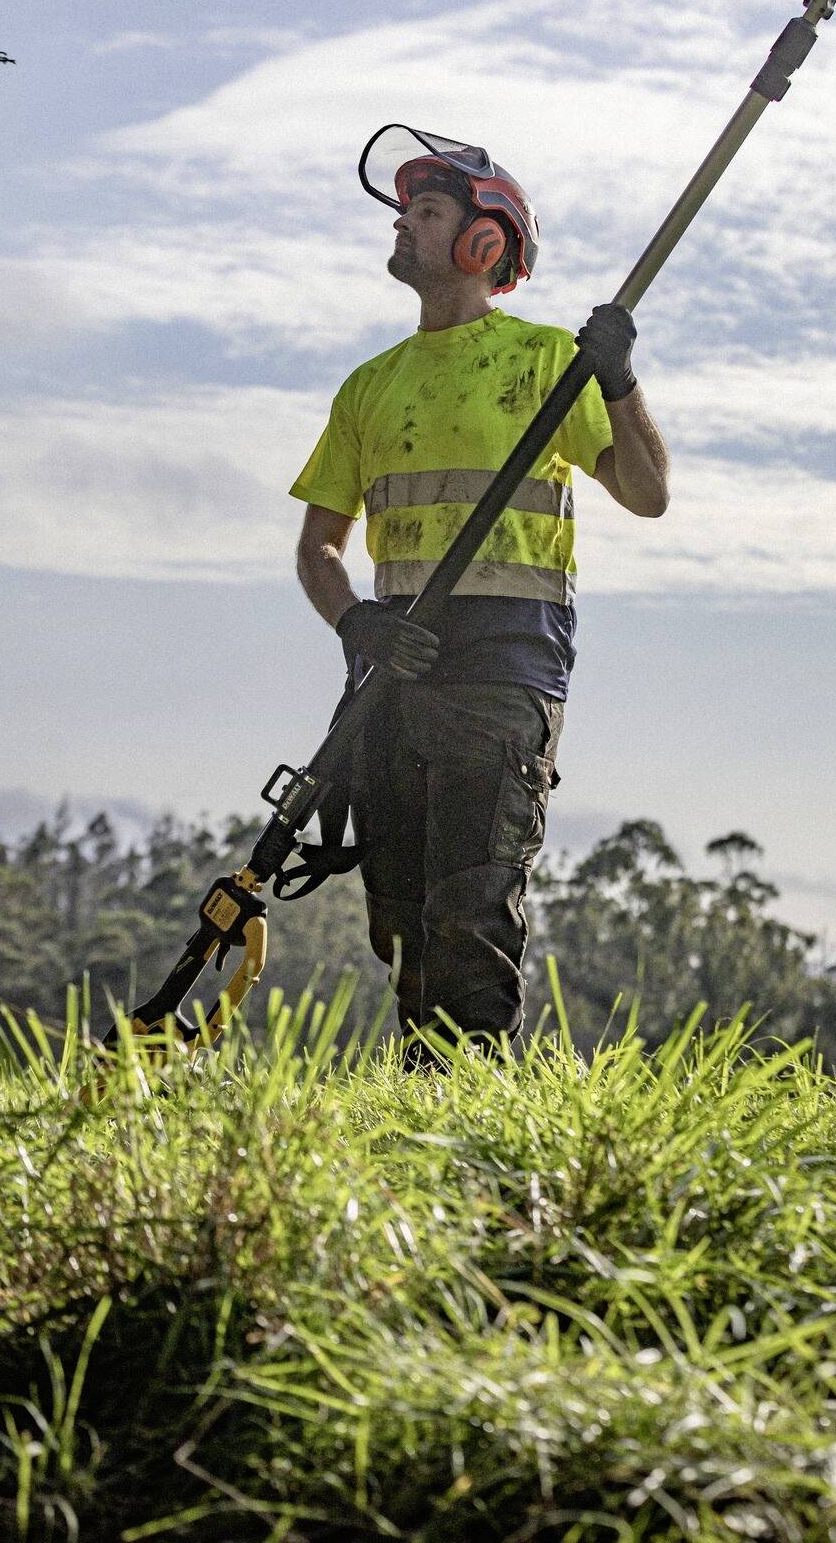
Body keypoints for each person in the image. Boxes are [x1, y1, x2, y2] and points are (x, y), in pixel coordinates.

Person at [288, 126, 671, 1061]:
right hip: (395, 670)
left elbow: (647, 492)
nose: (403, 227)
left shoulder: (544, 363)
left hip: (506, 662)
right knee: (402, 914)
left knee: (469, 900)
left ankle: (473, 1104)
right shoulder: (368, 387)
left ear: (482, 243)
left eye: (425, 212)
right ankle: (428, 1098)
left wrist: (617, 380)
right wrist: (358, 621)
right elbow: (317, 551)